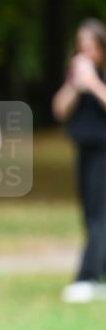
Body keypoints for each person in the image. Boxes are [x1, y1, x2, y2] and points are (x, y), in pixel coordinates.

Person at [52, 18, 106, 303]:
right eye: (81, 45)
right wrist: (75, 83)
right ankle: (100, 274)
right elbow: (59, 109)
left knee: (99, 216)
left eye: (91, 45)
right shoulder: (77, 77)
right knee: (90, 214)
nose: (86, 51)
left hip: (104, 151)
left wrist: (94, 83)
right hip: (84, 150)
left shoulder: (99, 77)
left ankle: (87, 277)